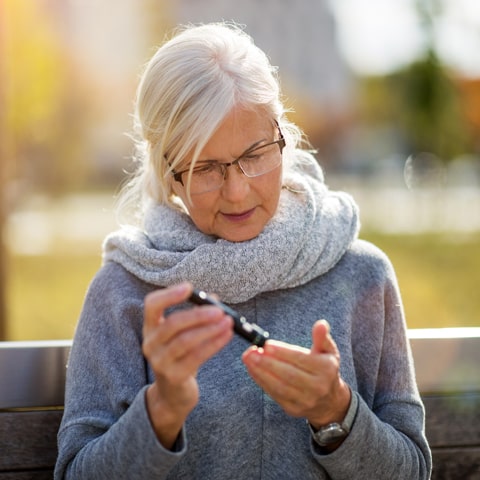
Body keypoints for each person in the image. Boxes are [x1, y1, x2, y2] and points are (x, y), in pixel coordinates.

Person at [55, 22, 432, 479]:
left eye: (254, 155)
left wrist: (337, 412)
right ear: (167, 169)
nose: (236, 193)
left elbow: (413, 471)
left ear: (282, 136)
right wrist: (162, 411)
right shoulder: (125, 293)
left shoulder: (363, 276)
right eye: (205, 168)